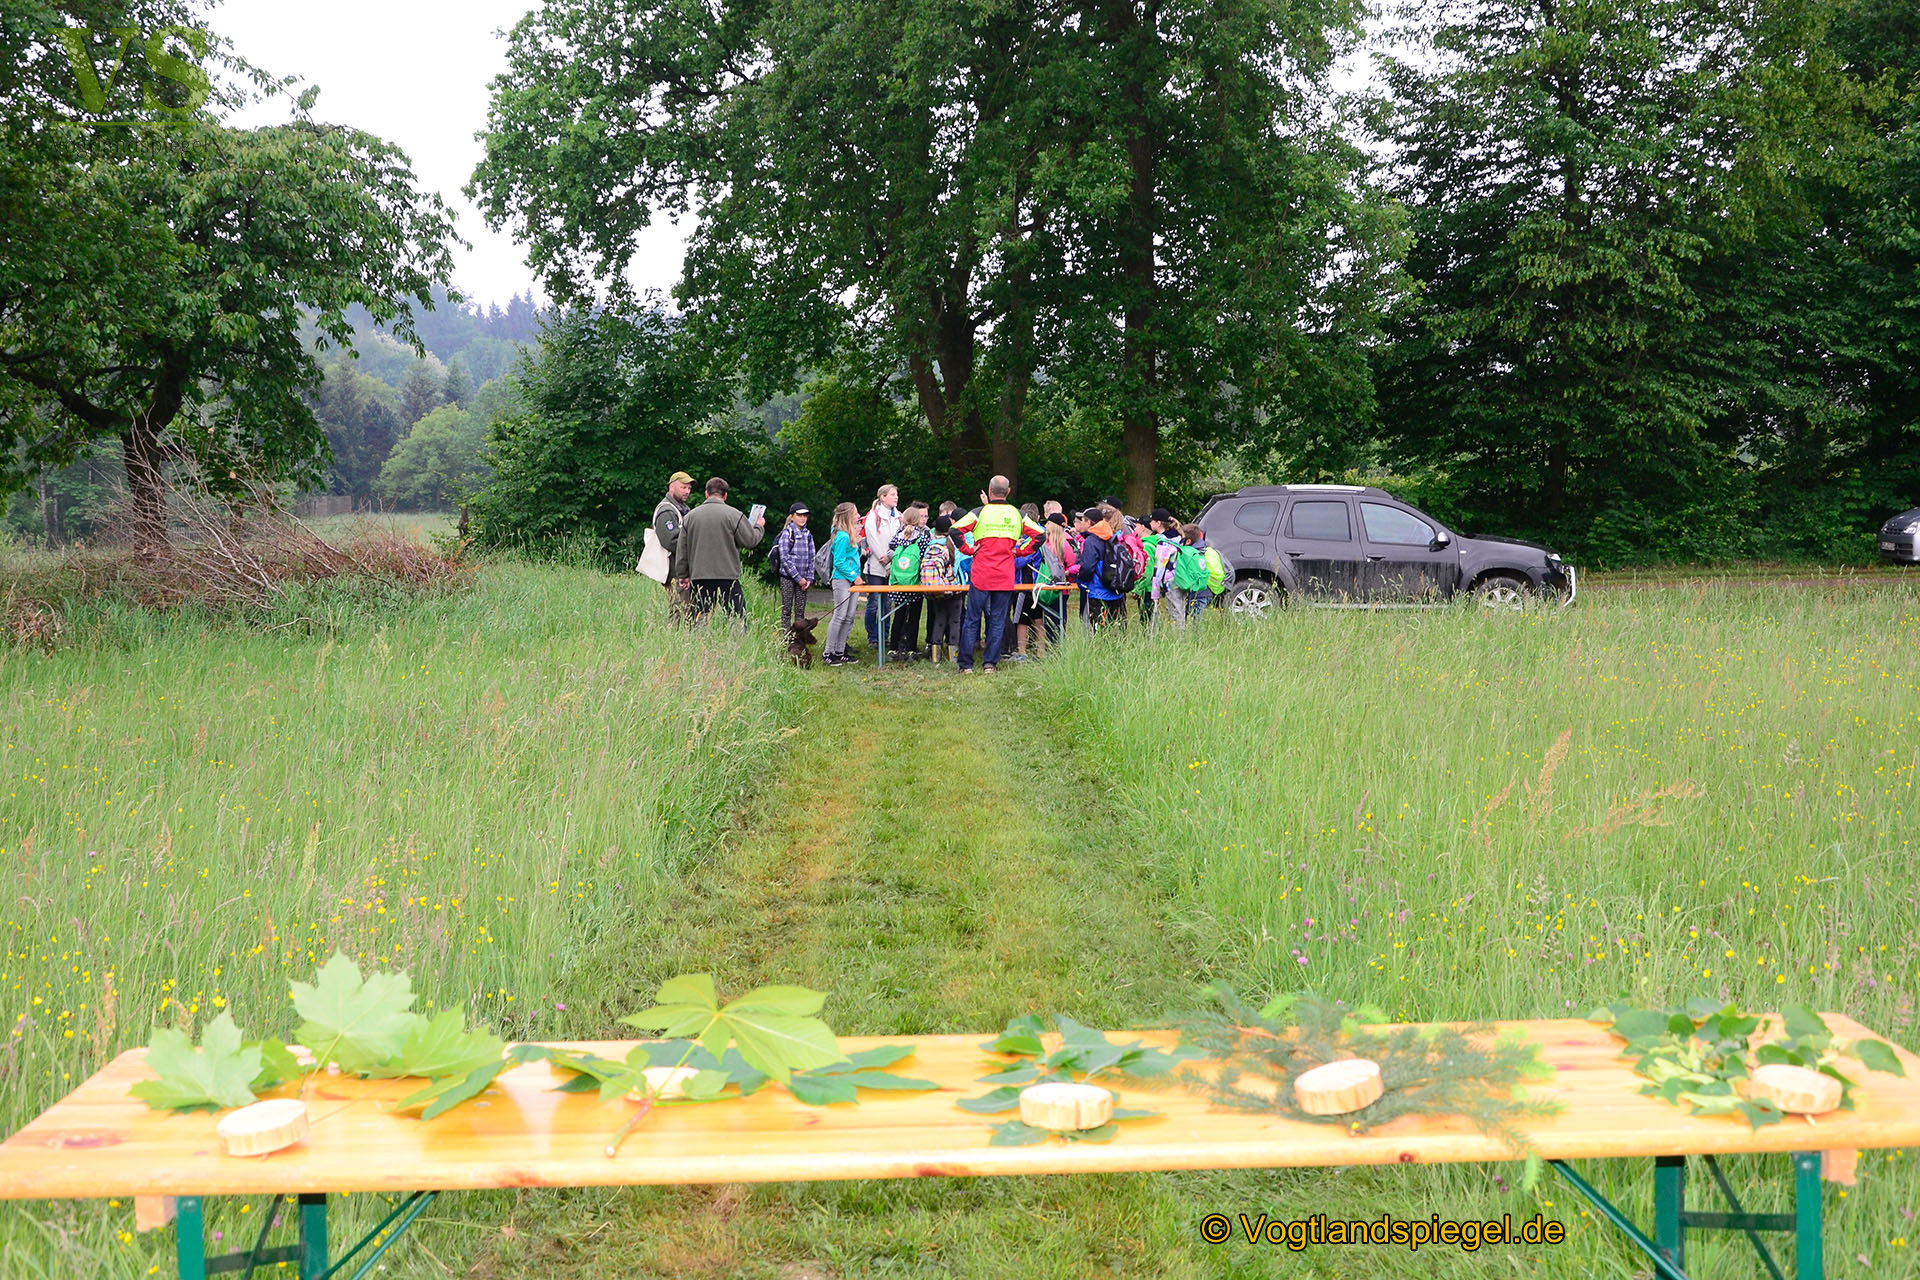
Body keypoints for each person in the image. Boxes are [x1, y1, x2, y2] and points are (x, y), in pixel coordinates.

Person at [950, 476, 1043, 674]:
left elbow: (954, 529)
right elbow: (1040, 536)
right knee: (999, 620)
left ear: (990, 491)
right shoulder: (1019, 515)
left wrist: (968, 550)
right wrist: (1020, 551)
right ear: (1008, 492)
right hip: (1004, 574)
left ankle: (965, 665)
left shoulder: (979, 512)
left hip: (981, 574)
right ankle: (990, 664)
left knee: (972, 619)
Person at [672, 477, 765, 620]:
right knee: (736, 617)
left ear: (706, 494)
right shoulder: (734, 515)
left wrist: (683, 574)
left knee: (701, 617)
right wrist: (759, 526)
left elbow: (682, 549)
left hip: (700, 577)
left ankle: (700, 641)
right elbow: (751, 540)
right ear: (725, 495)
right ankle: (737, 642)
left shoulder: (690, 517)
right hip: (727, 576)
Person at [885, 503, 931, 659]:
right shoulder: (922, 537)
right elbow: (925, 559)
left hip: (898, 583)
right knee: (914, 617)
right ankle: (911, 649)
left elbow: (890, 550)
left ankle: (893, 648)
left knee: (898, 615)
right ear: (918, 520)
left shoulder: (898, 535)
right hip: (914, 583)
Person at [861, 484, 902, 652]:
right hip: (876, 567)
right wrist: (883, 559)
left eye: (896, 494)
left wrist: (891, 558)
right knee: (874, 603)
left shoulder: (899, 516)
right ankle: (873, 637)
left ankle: (885, 636)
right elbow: (871, 539)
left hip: (893, 565)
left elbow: (901, 538)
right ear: (883, 497)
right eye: (892, 494)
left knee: (887, 603)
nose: (896, 497)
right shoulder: (873, 516)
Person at [822, 502, 864, 666]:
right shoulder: (842, 536)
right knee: (840, 615)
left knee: (849, 616)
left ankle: (840, 651)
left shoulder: (849, 535)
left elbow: (852, 557)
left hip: (852, 579)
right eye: (855, 513)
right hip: (842, 579)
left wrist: (858, 545)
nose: (858, 516)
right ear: (848, 516)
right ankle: (828, 652)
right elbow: (839, 562)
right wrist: (854, 576)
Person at [920, 513, 962, 663]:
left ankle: (935, 656)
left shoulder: (929, 546)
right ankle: (953, 657)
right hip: (951, 590)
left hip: (933, 590)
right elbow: (953, 571)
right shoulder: (949, 545)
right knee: (954, 621)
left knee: (939, 619)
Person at [771, 503, 815, 640]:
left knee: (800, 611)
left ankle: (799, 639)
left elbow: (812, 557)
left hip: (804, 580)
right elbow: (785, 557)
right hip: (788, 578)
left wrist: (809, 578)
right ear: (792, 516)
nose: (802, 518)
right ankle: (785, 638)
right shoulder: (787, 533)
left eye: (805, 515)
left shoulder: (808, 535)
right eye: (799, 515)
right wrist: (798, 578)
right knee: (786, 610)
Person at [653, 470, 694, 612]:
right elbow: (671, 541)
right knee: (678, 612)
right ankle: (675, 634)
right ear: (671, 487)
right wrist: (694, 546)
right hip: (673, 572)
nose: (687, 491)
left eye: (689, 488)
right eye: (683, 487)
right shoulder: (666, 511)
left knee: (688, 611)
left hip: (681, 571)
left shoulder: (682, 509)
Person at [1074, 507, 1122, 627]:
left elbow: (1087, 567)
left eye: (1083, 520)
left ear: (1089, 523)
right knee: (1112, 629)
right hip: (1114, 589)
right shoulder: (1111, 536)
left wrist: (1081, 581)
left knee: (1097, 629)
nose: (1081, 523)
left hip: (1097, 590)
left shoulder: (1092, 540)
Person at [1036, 512, 1076, 648]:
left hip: (1060, 590)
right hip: (1046, 587)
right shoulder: (1045, 544)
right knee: (1048, 621)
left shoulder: (1064, 545)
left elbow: (1073, 564)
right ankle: (1052, 649)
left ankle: (1058, 648)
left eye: (1047, 523)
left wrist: (1066, 572)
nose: (1045, 526)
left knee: (1058, 621)